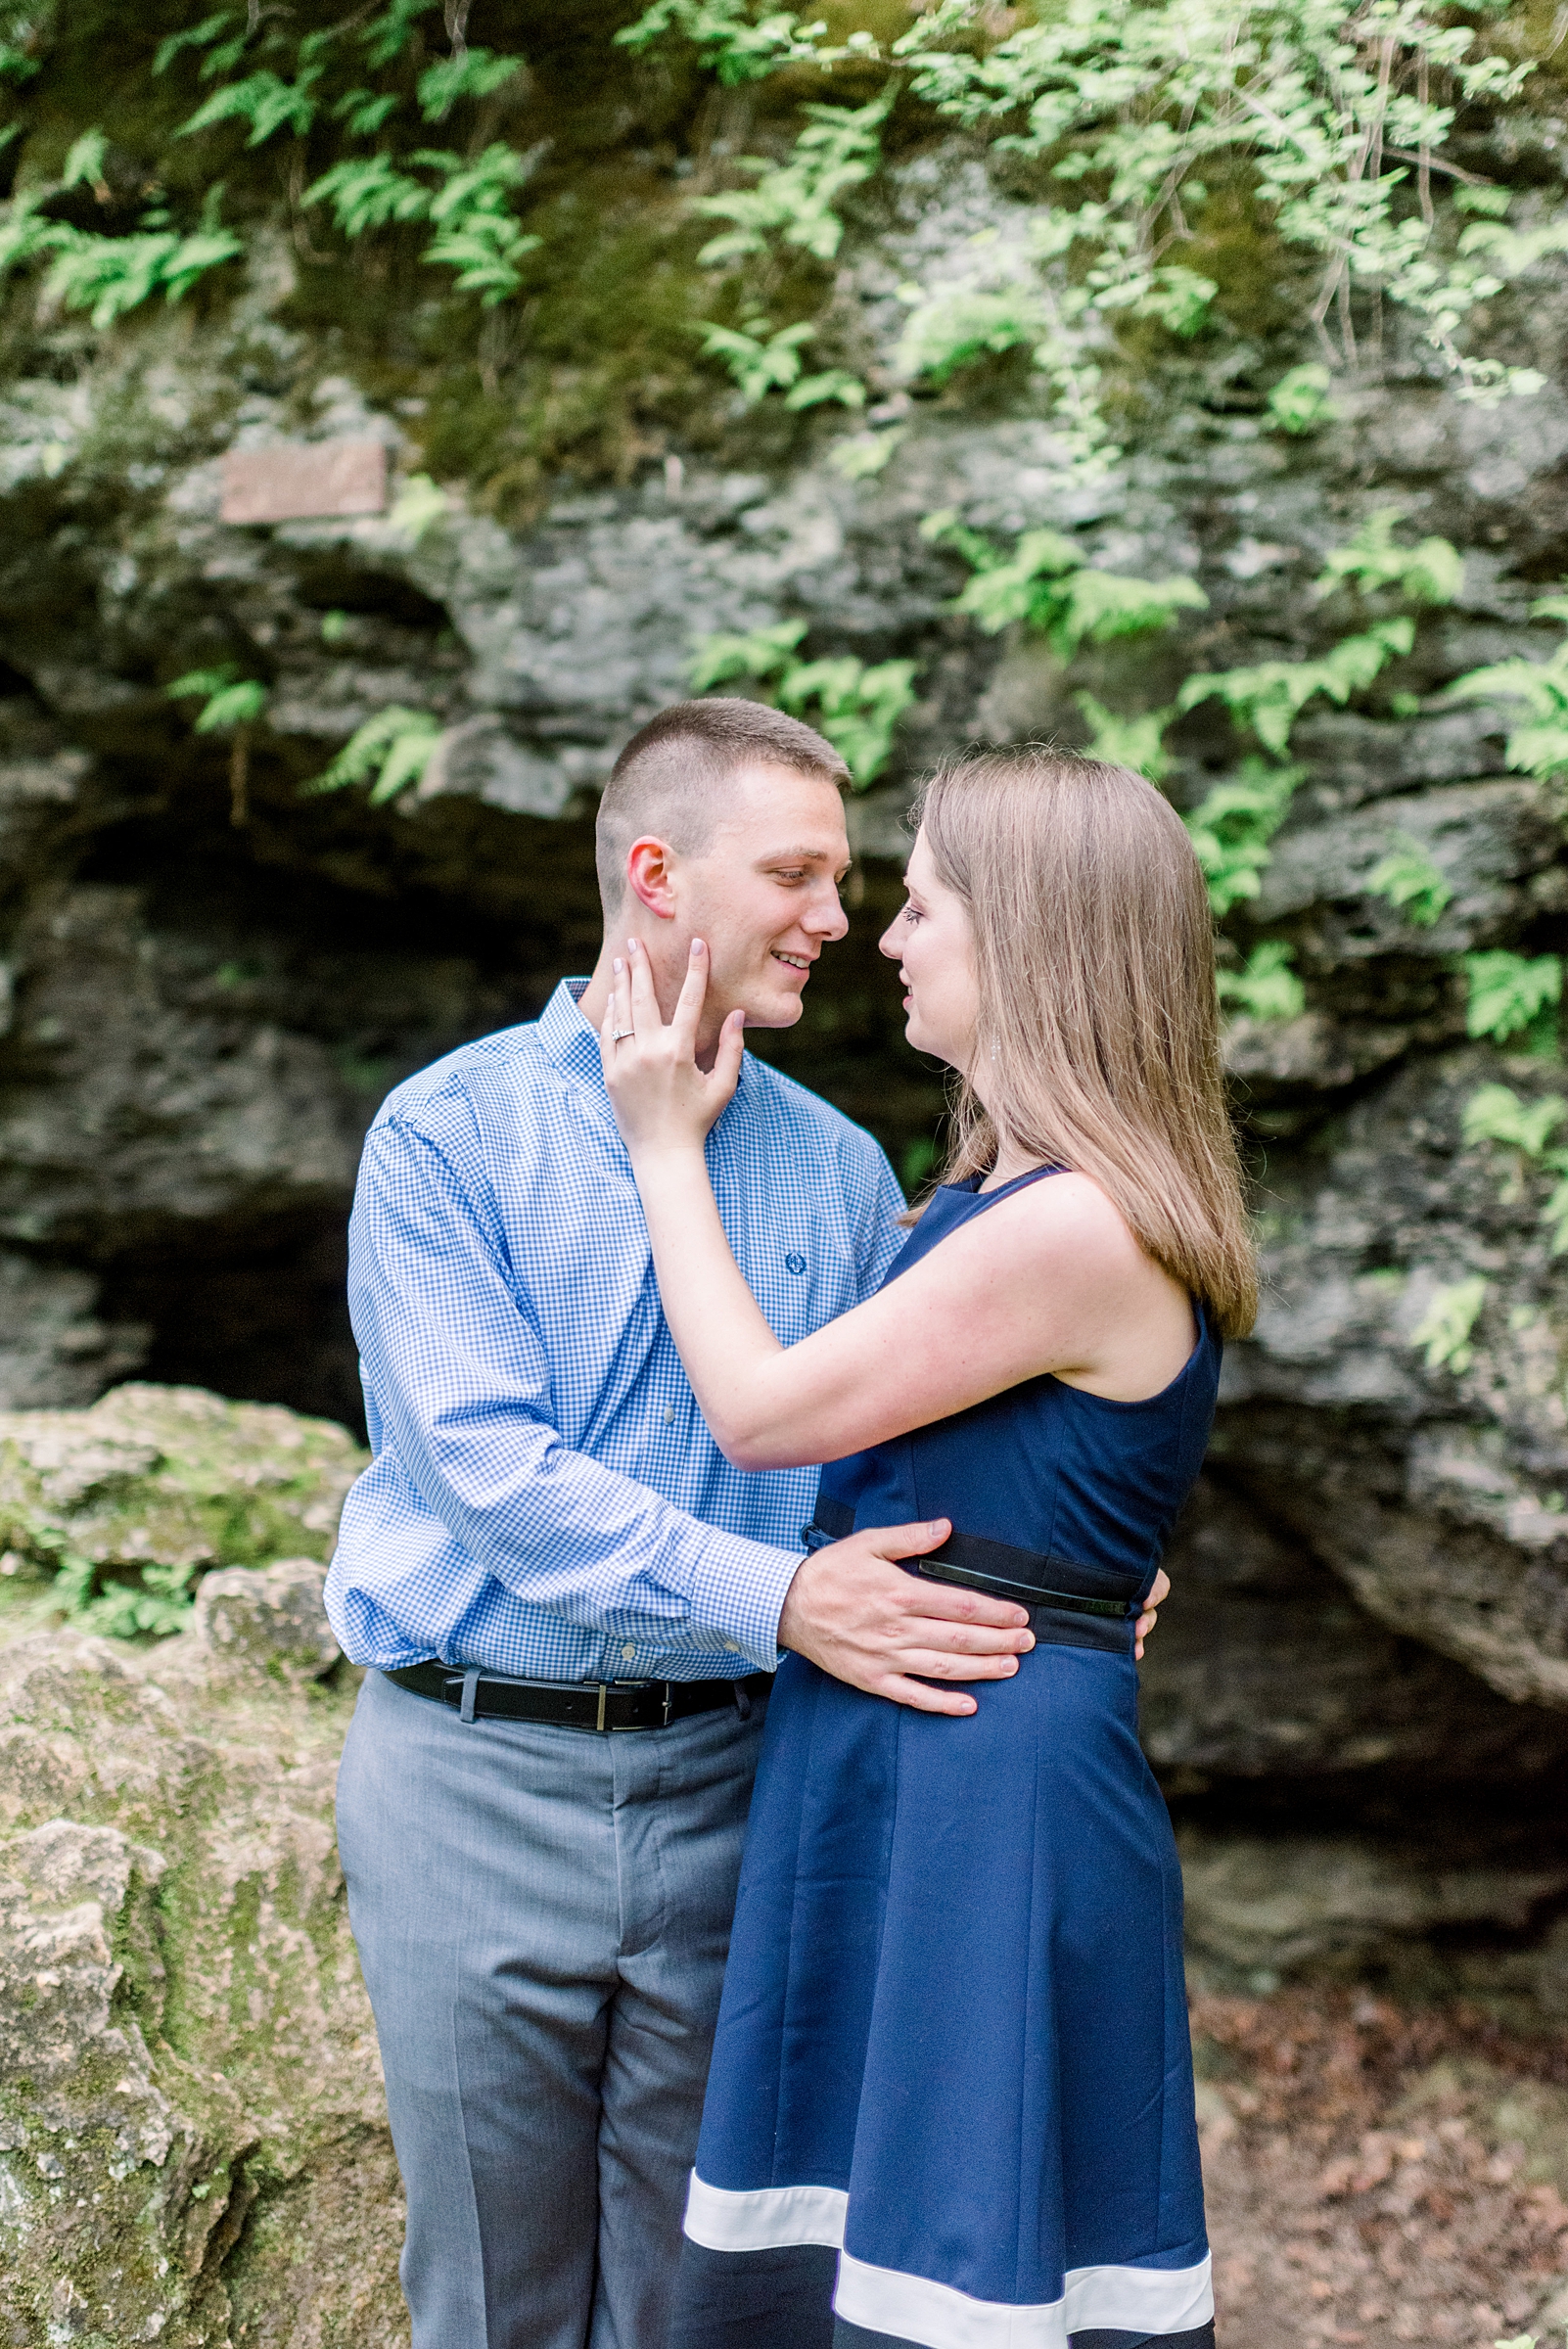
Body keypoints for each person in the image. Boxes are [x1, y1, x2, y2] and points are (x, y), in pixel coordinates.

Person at [324, 699, 1168, 2349]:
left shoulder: (847, 1174)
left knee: (715, 2290)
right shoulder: (447, 1137)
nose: (838, 920)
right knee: (492, 2295)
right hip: (471, 1783)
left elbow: (933, 1431)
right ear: (657, 873)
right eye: (795, 873)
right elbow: (490, 1475)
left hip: (745, 1789)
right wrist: (780, 1597)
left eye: (851, 881)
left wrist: (1075, 1572)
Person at [597, 745, 1256, 2349]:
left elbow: (761, 1417)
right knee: (850, 2236)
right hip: (910, 1744)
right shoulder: (1004, 1190)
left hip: (981, 1778)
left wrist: (663, 1144)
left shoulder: (1070, 1221)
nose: (887, 939)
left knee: (956, 2247)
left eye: (923, 905)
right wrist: (1089, 1570)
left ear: (1029, 938)